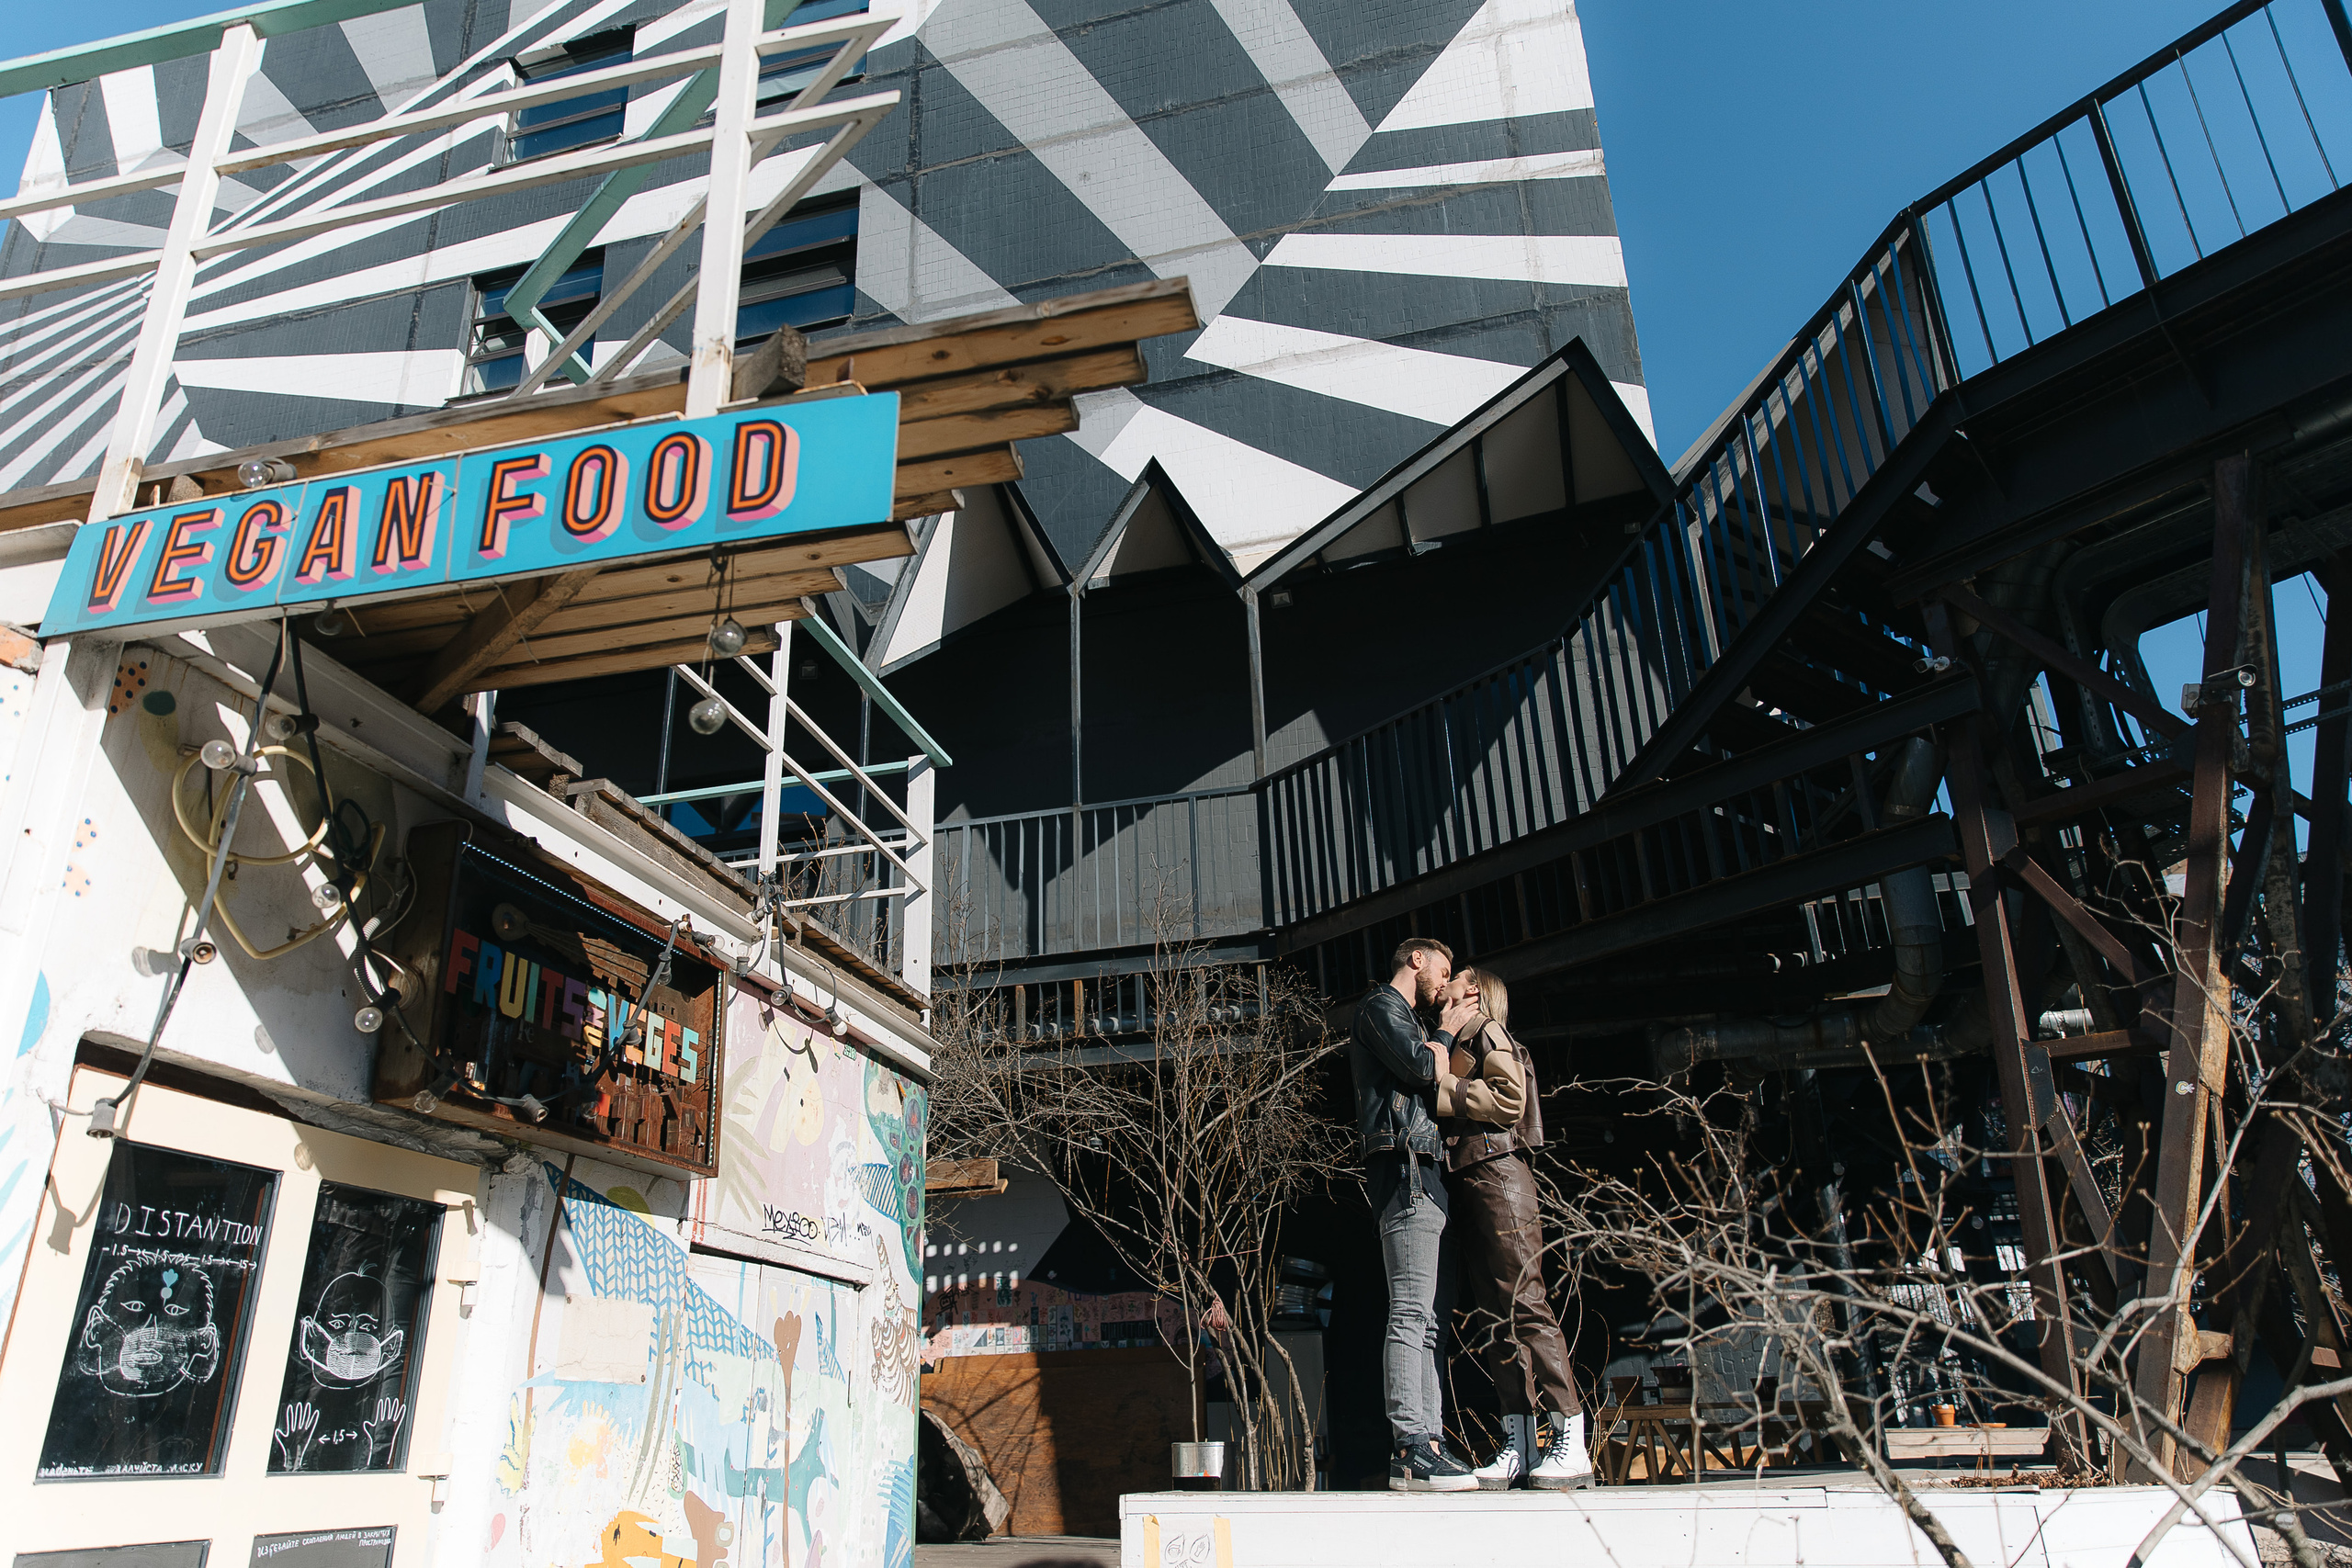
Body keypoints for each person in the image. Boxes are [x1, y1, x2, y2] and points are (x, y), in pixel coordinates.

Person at [1439, 965, 1594, 1490]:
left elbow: (1510, 1100)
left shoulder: (1485, 1031)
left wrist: (1444, 1089)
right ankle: (1520, 1442)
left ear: (1473, 991)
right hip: (1475, 1177)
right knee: (1495, 1315)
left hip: (1499, 1174)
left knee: (1524, 1304)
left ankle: (1570, 1438)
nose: (1446, 982)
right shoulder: (1461, 1038)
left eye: (1456, 976)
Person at [1348, 935, 1482, 1492]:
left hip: (1426, 1174)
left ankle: (1430, 1441)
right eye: (1442, 970)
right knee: (1409, 1313)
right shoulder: (1380, 1007)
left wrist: (1443, 1035)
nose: (1443, 982)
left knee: (1428, 1323)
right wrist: (1444, 1035)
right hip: (1404, 1173)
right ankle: (1410, 1446)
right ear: (1417, 959)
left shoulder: (1414, 1021)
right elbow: (1421, 1067)